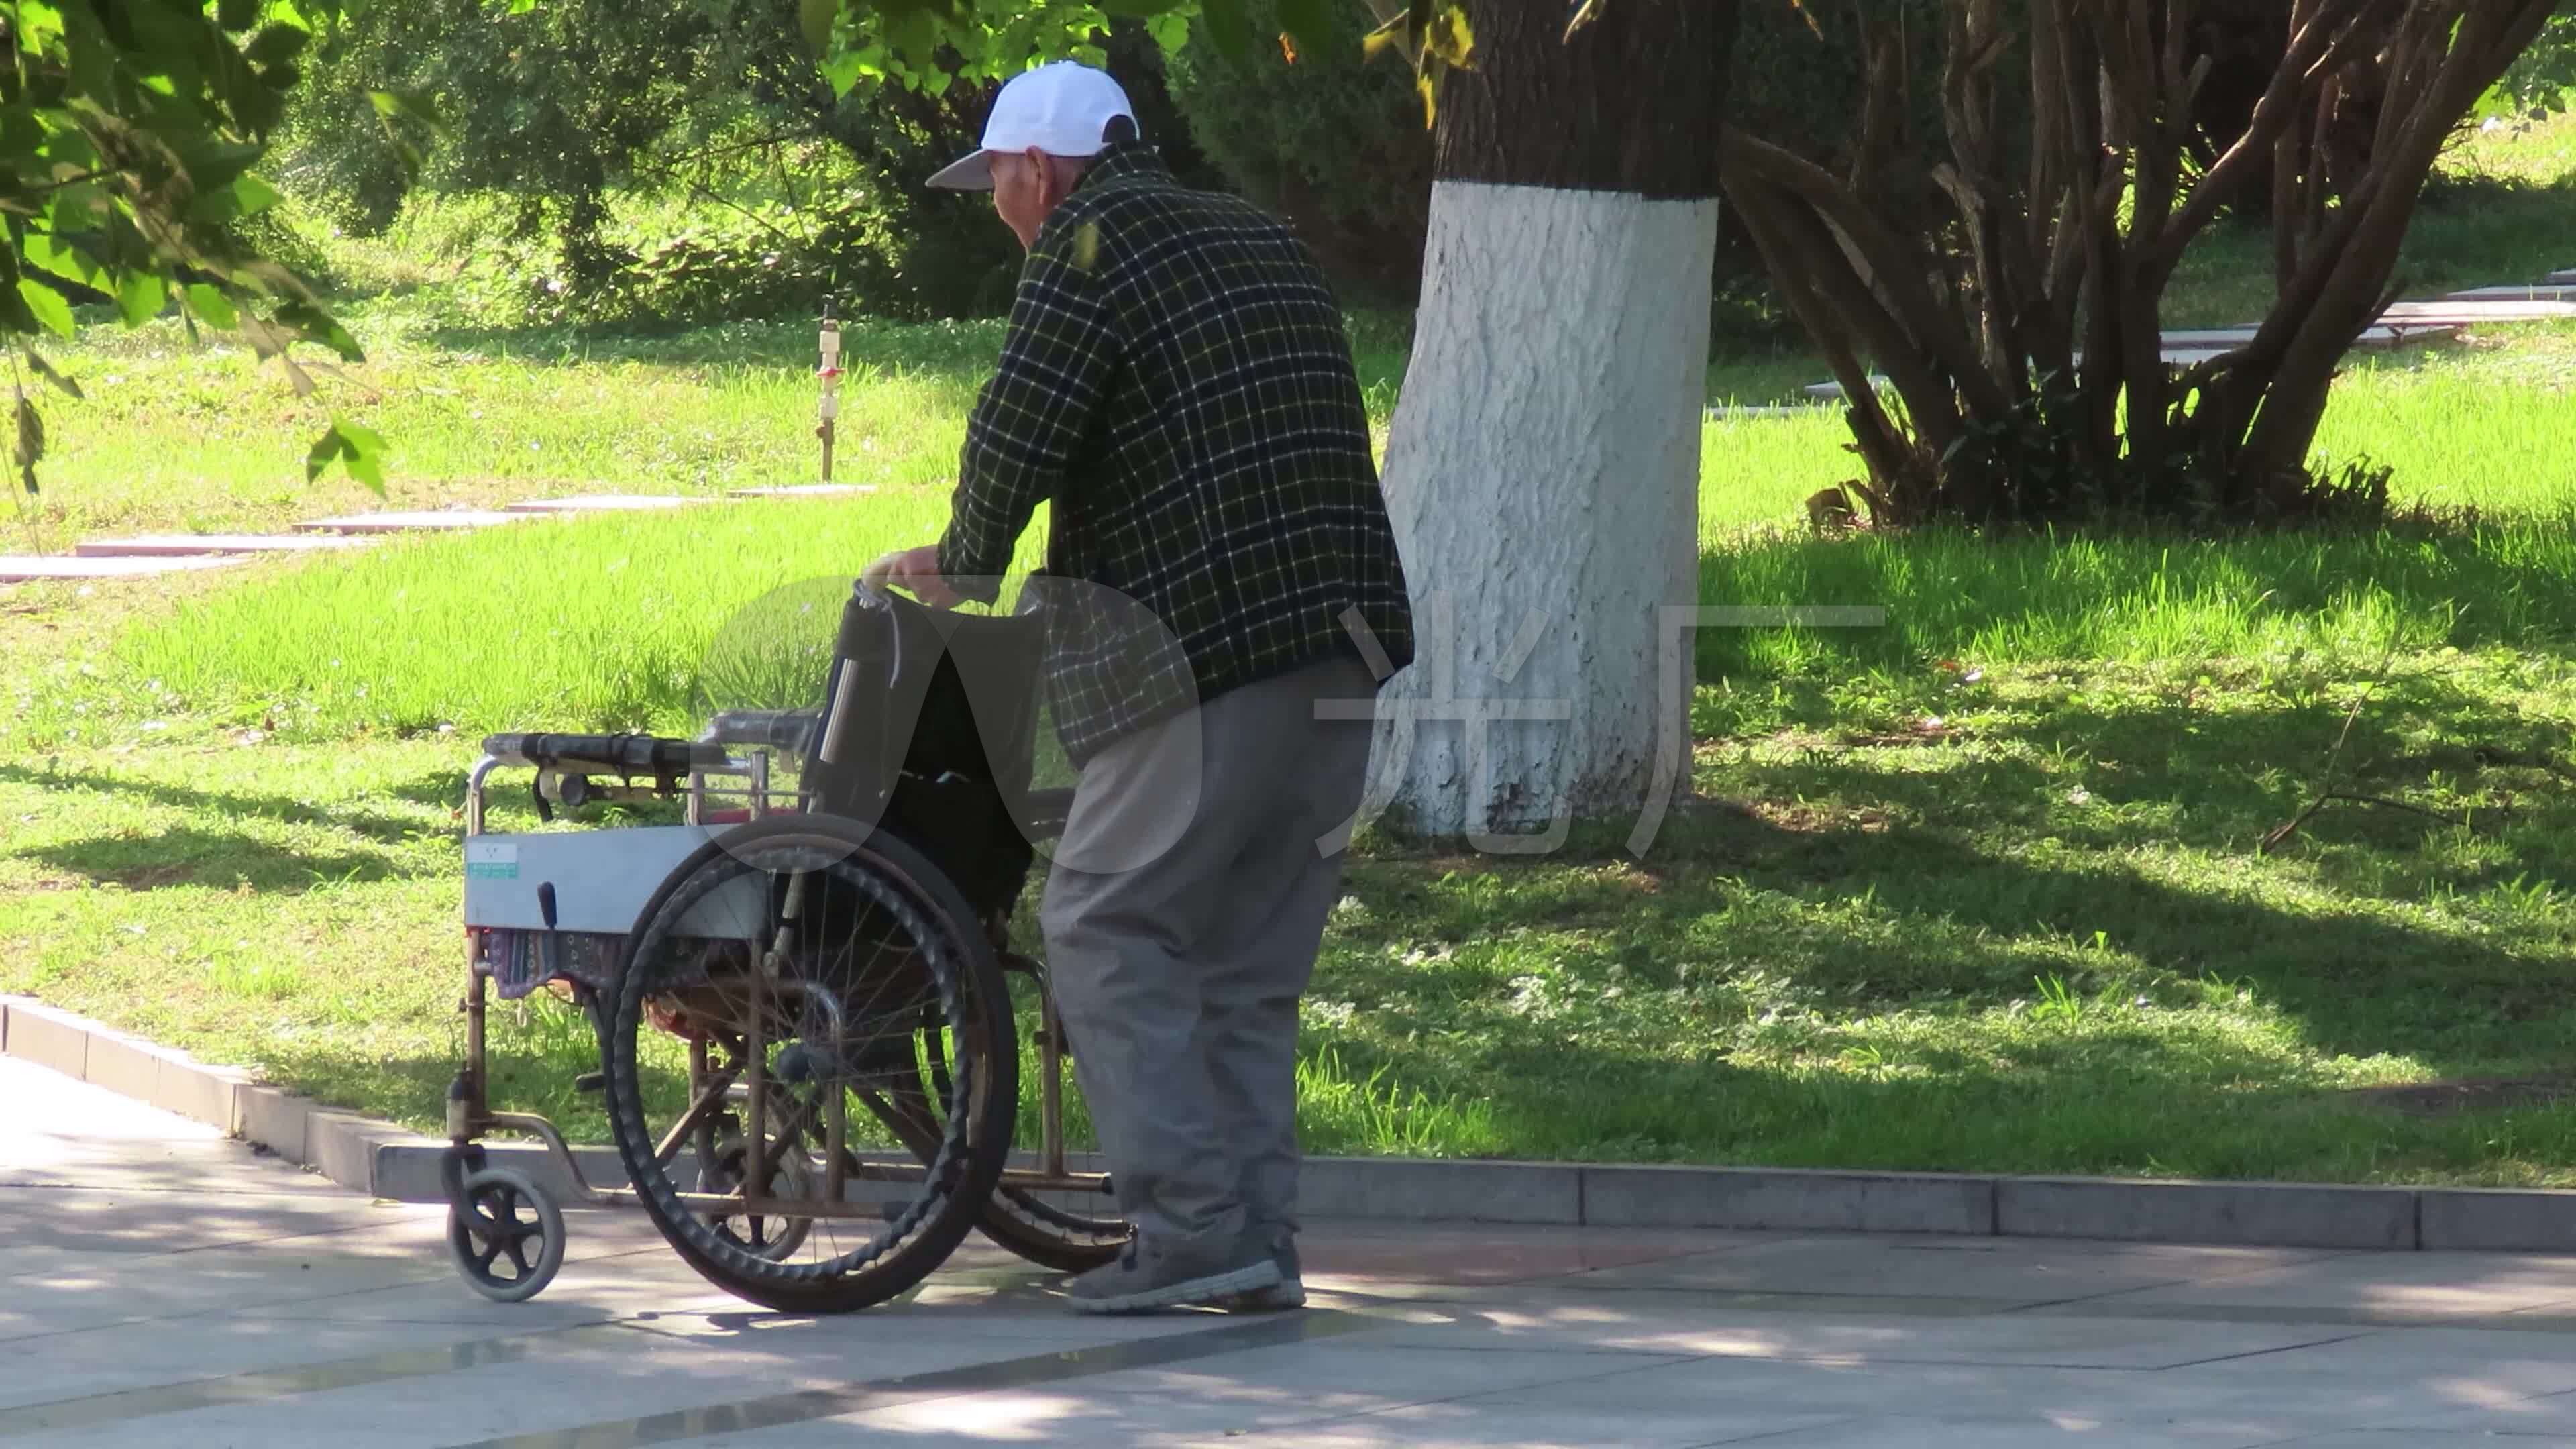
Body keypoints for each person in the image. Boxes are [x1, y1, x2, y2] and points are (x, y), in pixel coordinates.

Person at [867, 60, 1413, 1315]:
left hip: (1205, 650)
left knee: (1106, 928)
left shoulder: (1089, 242)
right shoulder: (1252, 234)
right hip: (1346, 650)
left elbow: (1023, 418)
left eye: (997, 187)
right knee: (1241, 969)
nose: (999, 213)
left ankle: (1188, 1235)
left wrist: (964, 558)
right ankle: (1256, 1242)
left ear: (1036, 172)